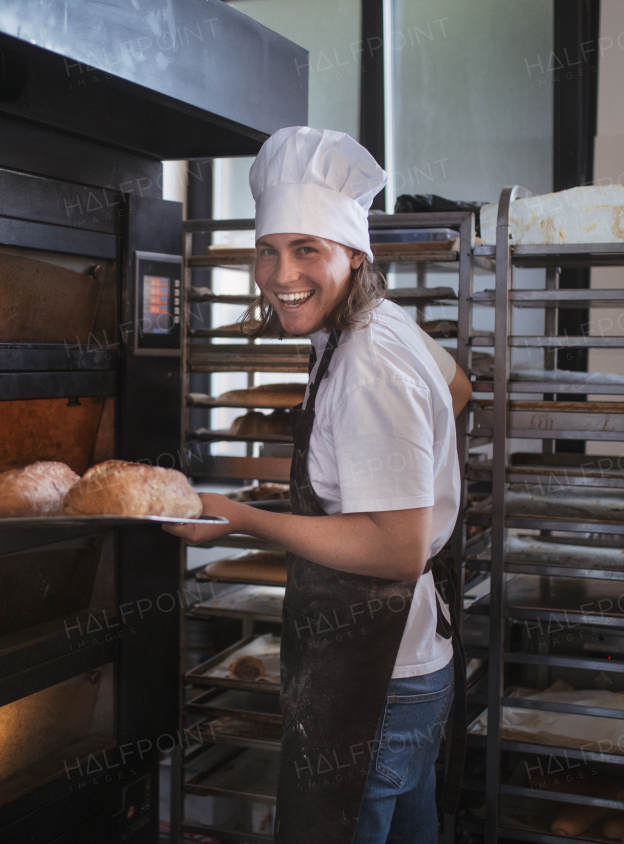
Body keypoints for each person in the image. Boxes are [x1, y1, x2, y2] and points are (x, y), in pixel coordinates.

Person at [165, 126, 468, 844]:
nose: (280, 273)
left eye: (308, 250)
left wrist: (240, 516)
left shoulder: (366, 363)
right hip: (410, 661)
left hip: (378, 682)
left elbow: (397, 549)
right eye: (268, 250)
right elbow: (457, 390)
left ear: (354, 255)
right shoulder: (380, 324)